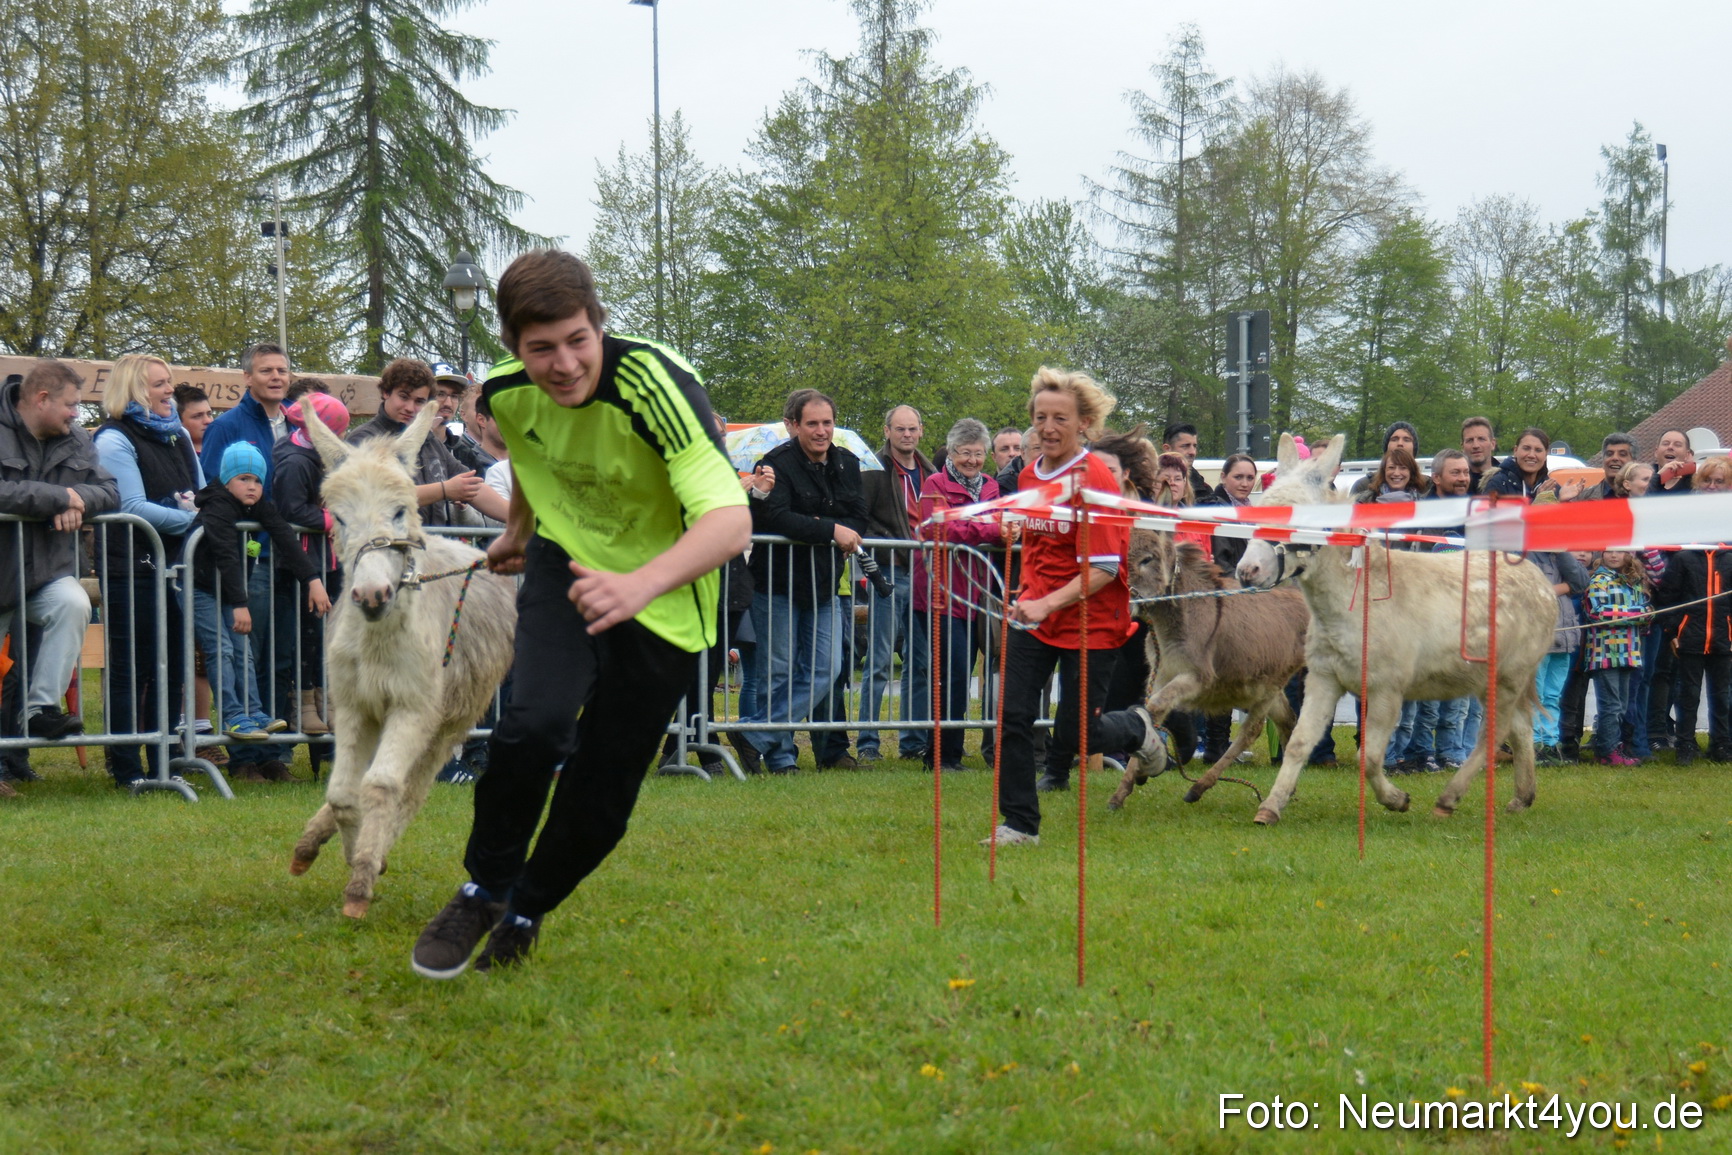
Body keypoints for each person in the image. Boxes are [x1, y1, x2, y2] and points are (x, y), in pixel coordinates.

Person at [410, 249, 749, 978]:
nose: (563, 363)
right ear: (512, 347)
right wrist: (520, 532)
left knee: (605, 783)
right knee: (533, 725)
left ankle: (528, 905)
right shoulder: (506, 393)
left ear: (599, 325)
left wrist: (638, 586)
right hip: (566, 566)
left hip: (664, 598)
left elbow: (730, 521)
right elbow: (539, 461)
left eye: (577, 340)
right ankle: (484, 886)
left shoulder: (656, 385)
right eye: (541, 348)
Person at [989, 368, 1165, 845]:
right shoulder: (1029, 473)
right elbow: (1042, 537)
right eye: (1040, 417)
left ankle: (1134, 728)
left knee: (1077, 736)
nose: (1047, 427)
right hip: (1035, 614)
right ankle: (1019, 824)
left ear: (1084, 423)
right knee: (1013, 717)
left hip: (1091, 619)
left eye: (1059, 418)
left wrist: (1047, 602)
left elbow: (1104, 569)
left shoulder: (1098, 480)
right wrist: (1016, 529)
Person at [730, 389, 869, 775]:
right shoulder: (774, 464)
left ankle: (754, 735)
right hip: (776, 584)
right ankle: (781, 758)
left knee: (829, 668)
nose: (822, 431)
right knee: (777, 672)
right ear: (793, 425)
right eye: (812, 423)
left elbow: (859, 516)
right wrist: (831, 531)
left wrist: (842, 530)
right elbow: (775, 517)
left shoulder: (847, 464)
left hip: (823, 586)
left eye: (827, 422)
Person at [93, 353, 200, 787]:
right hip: (129, 568)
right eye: (159, 384)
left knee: (173, 664)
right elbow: (132, 507)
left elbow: (202, 492)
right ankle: (126, 766)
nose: (168, 390)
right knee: (131, 668)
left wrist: (203, 512)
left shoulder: (178, 436)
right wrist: (197, 521)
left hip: (176, 567)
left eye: (168, 381)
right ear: (134, 389)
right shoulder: (113, 440)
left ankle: (161, 761)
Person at [190, 443, 330, 767]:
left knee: (243, 650)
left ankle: (253, 712)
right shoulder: (218, 506)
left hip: (226, 590)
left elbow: (284, 537)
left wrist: (312, 579)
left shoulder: (258, 506)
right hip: (200, 588)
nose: (252, 486)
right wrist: (240, 603)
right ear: (227, 480)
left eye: (257, 480)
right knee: (221, 649)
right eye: (243, 479)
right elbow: (225, 553)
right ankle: (232, 715)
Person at [0, 361, 117, 746]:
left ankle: (41, 709)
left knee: (73, 603)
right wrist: (57, 498)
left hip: (45, 571)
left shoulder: (78, 439)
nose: (76, 414)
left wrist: (78, 498)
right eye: (70, 404)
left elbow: (110, 492)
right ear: (41, 398)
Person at [199, 343, 296, 778]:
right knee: (246, 649)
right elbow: (211, 484)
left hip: (290, 548)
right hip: (247, 553)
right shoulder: (228, 425)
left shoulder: (297, 422)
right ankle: (243, 756)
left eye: (282, 370)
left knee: (280, 652)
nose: (276, 377)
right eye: (266, 370)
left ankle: (274, 751)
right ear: (248, 378)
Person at [909, 419, 1003, 771]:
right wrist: (986, 530)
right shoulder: (935, 483)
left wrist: (981, 530)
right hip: (940, 592)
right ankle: (941, 755)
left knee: (967, 673)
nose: (973, 460)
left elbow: (996, 523)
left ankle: (951, 751)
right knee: (952, 674)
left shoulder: (991, 486)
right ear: (951, 453)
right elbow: (939, 526)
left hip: (977, 592)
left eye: (978, 454)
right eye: (965, 453)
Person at [856, 404, 936, 766]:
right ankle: (867, 741)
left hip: (926, 576)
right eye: (900, 429)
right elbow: (861, 520)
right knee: (880, 660)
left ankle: (913, 740)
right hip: (889, 574)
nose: (907, 435)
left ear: (921, 432)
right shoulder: (873, 469)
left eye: (912, 429)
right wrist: (886, 544)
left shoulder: (930, 473)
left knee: (921, 661)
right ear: (887, 431)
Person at [271, 391, 351, 738]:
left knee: (327, 635)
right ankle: (304, 704)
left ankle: (327, 699)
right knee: (306, 633)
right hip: (304, 562)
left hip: (328, 560)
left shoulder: (322, 459)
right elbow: (292, 510)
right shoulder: (296, 462)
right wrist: (334, 518)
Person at [348, 359, 509, 527]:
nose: (410, 407)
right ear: (386, 392)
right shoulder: (364, 439)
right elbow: (372, 496)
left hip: (430, 548)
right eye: (403, 397)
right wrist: (444, 490)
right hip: (382, 547)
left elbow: (472, 486)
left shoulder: (428, 440)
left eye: (419, 401)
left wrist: (526, 519)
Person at [1653, 456, 1732, 765]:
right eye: (1708, 481)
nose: (1713, 487)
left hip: (1724, 635)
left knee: (1722, 695)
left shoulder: (1729, 557)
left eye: (1720, 481)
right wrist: (1673, 630)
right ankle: (1685, 745)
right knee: (1688, 694)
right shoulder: (1685, 556)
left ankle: (1721, 744)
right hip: (1691, 634)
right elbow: (1669, 596)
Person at [1582, 549, 1649, 766]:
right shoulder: (1598, 580)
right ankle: (1606, 751)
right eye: (1609, 551)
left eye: (1620, 551)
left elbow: (1646, 612)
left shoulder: (1633, 581)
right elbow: (1597, 612)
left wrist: (1647, 615)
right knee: (1610, 705)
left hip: (1629, 650)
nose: (1614, 555)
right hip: (1605, 652)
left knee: (1621, 704)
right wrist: (1636, 614)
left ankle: (1613, 745)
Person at [1530, 546, 1589, 765]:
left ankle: (1551, 744)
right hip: (1538, 637)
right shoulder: (1527, 554)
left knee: (1553, 695)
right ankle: (1535, 745)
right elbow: (1533, 590)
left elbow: (1582, 582)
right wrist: (1566, 586)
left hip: (1564, 638)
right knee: (1535, 696)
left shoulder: (1563, 556)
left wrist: (1563, 552)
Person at [1482, 427, 1584, 501]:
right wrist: (1536, 503)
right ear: (1515, 451)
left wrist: (1562, 500)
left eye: (1538, 450)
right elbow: (1492, 524)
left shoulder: (1551, 487)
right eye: (1526, 448)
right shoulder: (1498, 483)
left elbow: (1558, 526)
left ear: (1545, 455)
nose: (1531, 455)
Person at [431, 363, 498, 475]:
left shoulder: (465, 455)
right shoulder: (407, 447)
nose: (448, 403)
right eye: (440, 394)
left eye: (454, 396)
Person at [1159, 422, 1211, 504]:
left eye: (1194, 446)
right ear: (1167, 448)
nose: (1192, 452)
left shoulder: (1205, 490)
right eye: (1185, 446)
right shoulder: (1146, 489)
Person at [1580, 434, 1636, 500]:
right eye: (1609, 454)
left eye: (1622, 454)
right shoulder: (1583, 498)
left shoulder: (1645, 496)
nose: (1614, 458)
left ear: (1634, 462)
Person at [1460, 417, 1497, 493]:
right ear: (1462, 447)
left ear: (1493, 444)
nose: (1476, 445)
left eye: (1481, 439)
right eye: (1470, 440)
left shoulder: (1508, 479)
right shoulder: (1456, 483)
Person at [1653, 429, 1695, 494]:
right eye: (1665, 443)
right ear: (1656, 452)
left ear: (1687, 455)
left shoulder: (1694, 482)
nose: (1670, 447)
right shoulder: (1643, 476)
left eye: (1677, 445)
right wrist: (1657, 478)